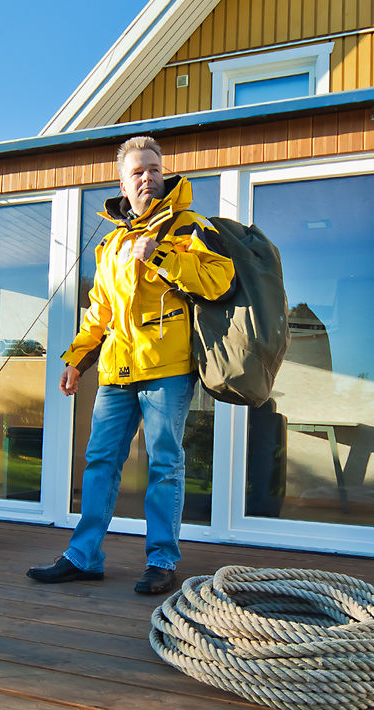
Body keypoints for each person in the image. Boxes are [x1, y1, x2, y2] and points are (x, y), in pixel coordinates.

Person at [27, 136, 235, 595]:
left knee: (165, 464)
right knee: (100, 460)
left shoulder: (188, 225)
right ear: (122, 183)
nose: (148, 177)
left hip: (167, 367)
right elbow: (99, 310)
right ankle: (83, 556)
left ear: (164, 175)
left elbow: (220, 280)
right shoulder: (111, 244)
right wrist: (78, 361)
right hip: (117, 371)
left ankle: (162, 560)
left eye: (154, 169)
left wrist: (160, 254)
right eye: (137, 171)